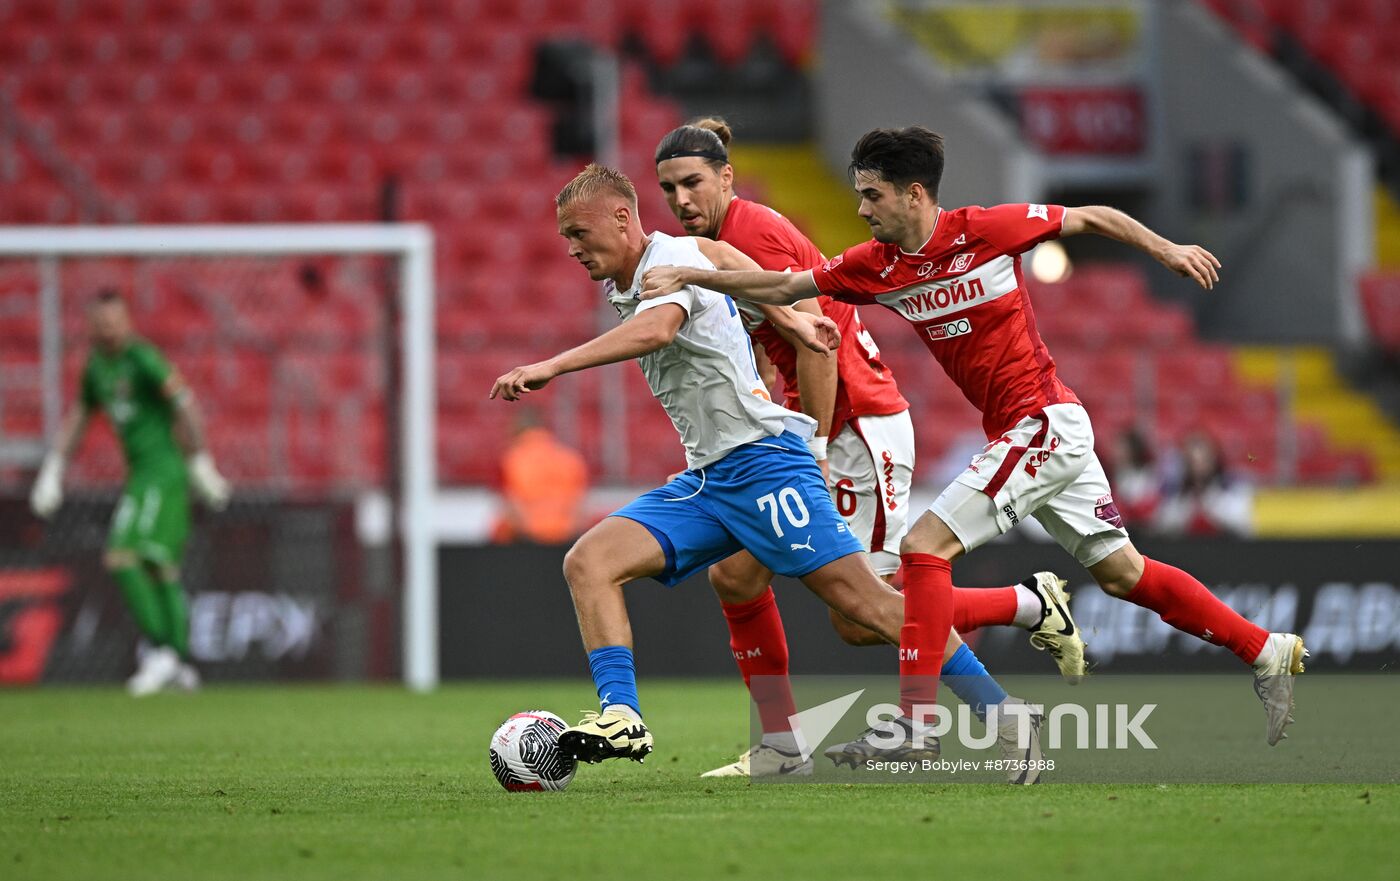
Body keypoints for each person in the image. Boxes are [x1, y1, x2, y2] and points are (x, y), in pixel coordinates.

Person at [641, 126, 1307, 747]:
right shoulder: (878, 265)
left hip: (1045, 420)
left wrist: (1169, 248)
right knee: (1122, 573)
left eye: (873, 195)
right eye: (858, 196)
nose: (864, 209)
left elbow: (1091, 217)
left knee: (925, 546)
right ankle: (1265, 649)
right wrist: (695, 273)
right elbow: (786, 284)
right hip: (1026, 432)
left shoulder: (986, 230)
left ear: (914, 194)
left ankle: (914, 722)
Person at [490, 164, 962, 768]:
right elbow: (722, 264)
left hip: (772, 461)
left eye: (579, 233)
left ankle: (1000, 701)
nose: (573, 248)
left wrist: (551, 366)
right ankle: (632, 719)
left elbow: (660, 330)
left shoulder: (671, 263)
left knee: (865, 608)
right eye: (566, 239)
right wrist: (787, 318)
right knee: (594, 562)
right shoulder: (645, 271)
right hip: (714, 476)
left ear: (621, 218)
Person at [654, 119, 1078, 782]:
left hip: (854, 428)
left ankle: (1017, 640)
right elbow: (778, 348)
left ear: (726, 178)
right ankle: (782, 744)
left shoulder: (749, 235)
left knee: (863, 611)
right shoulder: (721, 239)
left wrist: (814, 448)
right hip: (817, 422)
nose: (680, 200)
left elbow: (814, 340)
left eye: (692, 183)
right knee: (737, 575)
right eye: (669, 188)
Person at [29, 290, 231, 696]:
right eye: (102, 322)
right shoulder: (96, 368)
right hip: (141, 475)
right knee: (160, 568)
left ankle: (161, 652)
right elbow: (80, 415)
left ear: (128, 320)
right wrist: (54, 469)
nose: (110, 329)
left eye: (116, 320)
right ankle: (177, 661)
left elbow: (185, 405)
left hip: (162, 472)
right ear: (90, 325)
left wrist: (200, 463)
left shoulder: (142, 359)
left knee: (123, 556)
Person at [492, 411, 590, 544]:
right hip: (567, 533)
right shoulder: (571, 458)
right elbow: (580, 504)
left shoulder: (511, 459)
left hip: (527, 535)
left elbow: (511, 504)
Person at [1155, 430, 1252, 537]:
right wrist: (1189, 509)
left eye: (1203, 461)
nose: (1198, 468)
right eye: (1192, 461)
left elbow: (1244, 523)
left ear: (1214, 460)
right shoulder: (1178, 493)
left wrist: (1210, 505)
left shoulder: (1230, 488)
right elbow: (1163, 523)